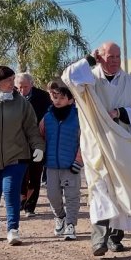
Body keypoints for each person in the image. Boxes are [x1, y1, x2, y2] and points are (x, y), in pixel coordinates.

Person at [62, 42, 131, 255]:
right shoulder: (89, 79)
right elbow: (68, 75)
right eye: (109, 56)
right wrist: (89, 60)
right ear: (100, 56)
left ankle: (115, 236)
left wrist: (121, 113)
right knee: (99, 189)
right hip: (97, 145)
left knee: (122, 188)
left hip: (123, 146)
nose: (114, 60)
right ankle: (99, 239)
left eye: (117, 56)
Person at [0, 66, 44, 245]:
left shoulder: (21, 102)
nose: (12, 84)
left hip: (17, 155)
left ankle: (13, 229)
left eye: (13, 80)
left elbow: (31, 127)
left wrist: (37, 146)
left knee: (11, 191)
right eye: (8, 81)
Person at [39, 81, 81, 241]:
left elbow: (84, 142)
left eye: (62, 97)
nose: (57, 100)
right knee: (52, 195)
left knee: (72, 196)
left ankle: (71, 224)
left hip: (71, 166)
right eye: (55, 97)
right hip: (51, 166)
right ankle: (60, 217)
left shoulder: (78, 118)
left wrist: (78, 161)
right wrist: (39, 152)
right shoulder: (47, 117)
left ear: (70, 99)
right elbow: (40, 136)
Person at [15, 72, 52, 217]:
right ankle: (20, 201)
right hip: (18, 143)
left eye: (25, 86)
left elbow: (48, 118)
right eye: (19, 87)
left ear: (32, 84)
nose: (22, 90)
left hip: (38, 141)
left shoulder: (43, 97)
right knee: (20, 174)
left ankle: (30, 207)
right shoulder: (11, 97)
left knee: (35, 175)